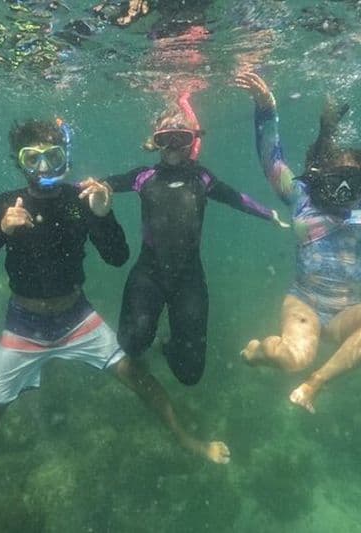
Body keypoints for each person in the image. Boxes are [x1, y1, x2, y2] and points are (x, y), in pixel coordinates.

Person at [0, 117, 230, 532]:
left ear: (65, 158)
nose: (44, 168)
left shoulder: (78, 200)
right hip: (23, 326)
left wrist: (102, 215)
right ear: (19, 162)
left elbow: (118, 257)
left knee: (138, 376)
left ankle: (185, 438)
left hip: (76, 316)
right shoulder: (2, 204)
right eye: (34, 159)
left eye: (54, 157)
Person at [236, 46, 361, 413]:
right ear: (321, 175)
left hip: (344, 314)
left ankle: (316, 383)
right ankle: (258, 352)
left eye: (352, 180)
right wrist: (266, 111)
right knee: (291, 358)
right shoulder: (303, 196)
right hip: (303, 302)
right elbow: (270, 161)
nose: (342, 189)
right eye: (336, 179)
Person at [100, 99, 288, 386]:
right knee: (132, 345)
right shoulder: (143, 176)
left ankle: (166, 345)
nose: (174, 146)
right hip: (148, 273)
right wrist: (80, 188)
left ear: (192, 141)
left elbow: (235, 198)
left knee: (190, 374)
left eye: (182, 138)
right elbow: (103, 184)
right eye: (166, 139)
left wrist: (269, 214)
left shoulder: (202, 177)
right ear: (155, 142)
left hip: (188, 277)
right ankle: (150, 337)